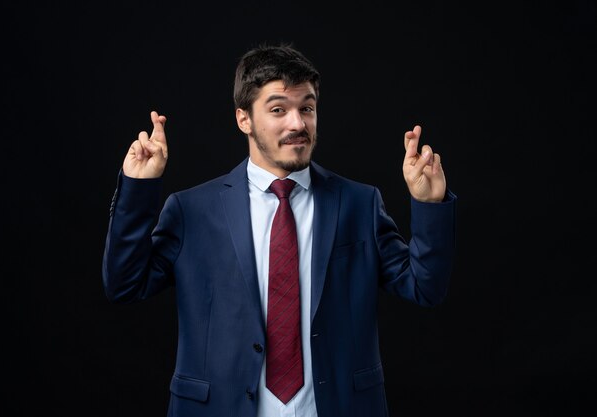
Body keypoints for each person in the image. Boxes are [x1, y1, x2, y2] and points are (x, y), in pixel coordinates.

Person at [102, 42, 457, 417]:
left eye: (307, 108)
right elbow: (124, 284)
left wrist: (429, 204)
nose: (298, 124)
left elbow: (425, 287)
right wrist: (138, 189)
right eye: (278, 110)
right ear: (244, 119)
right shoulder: (192, 210)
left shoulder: (358, 203)